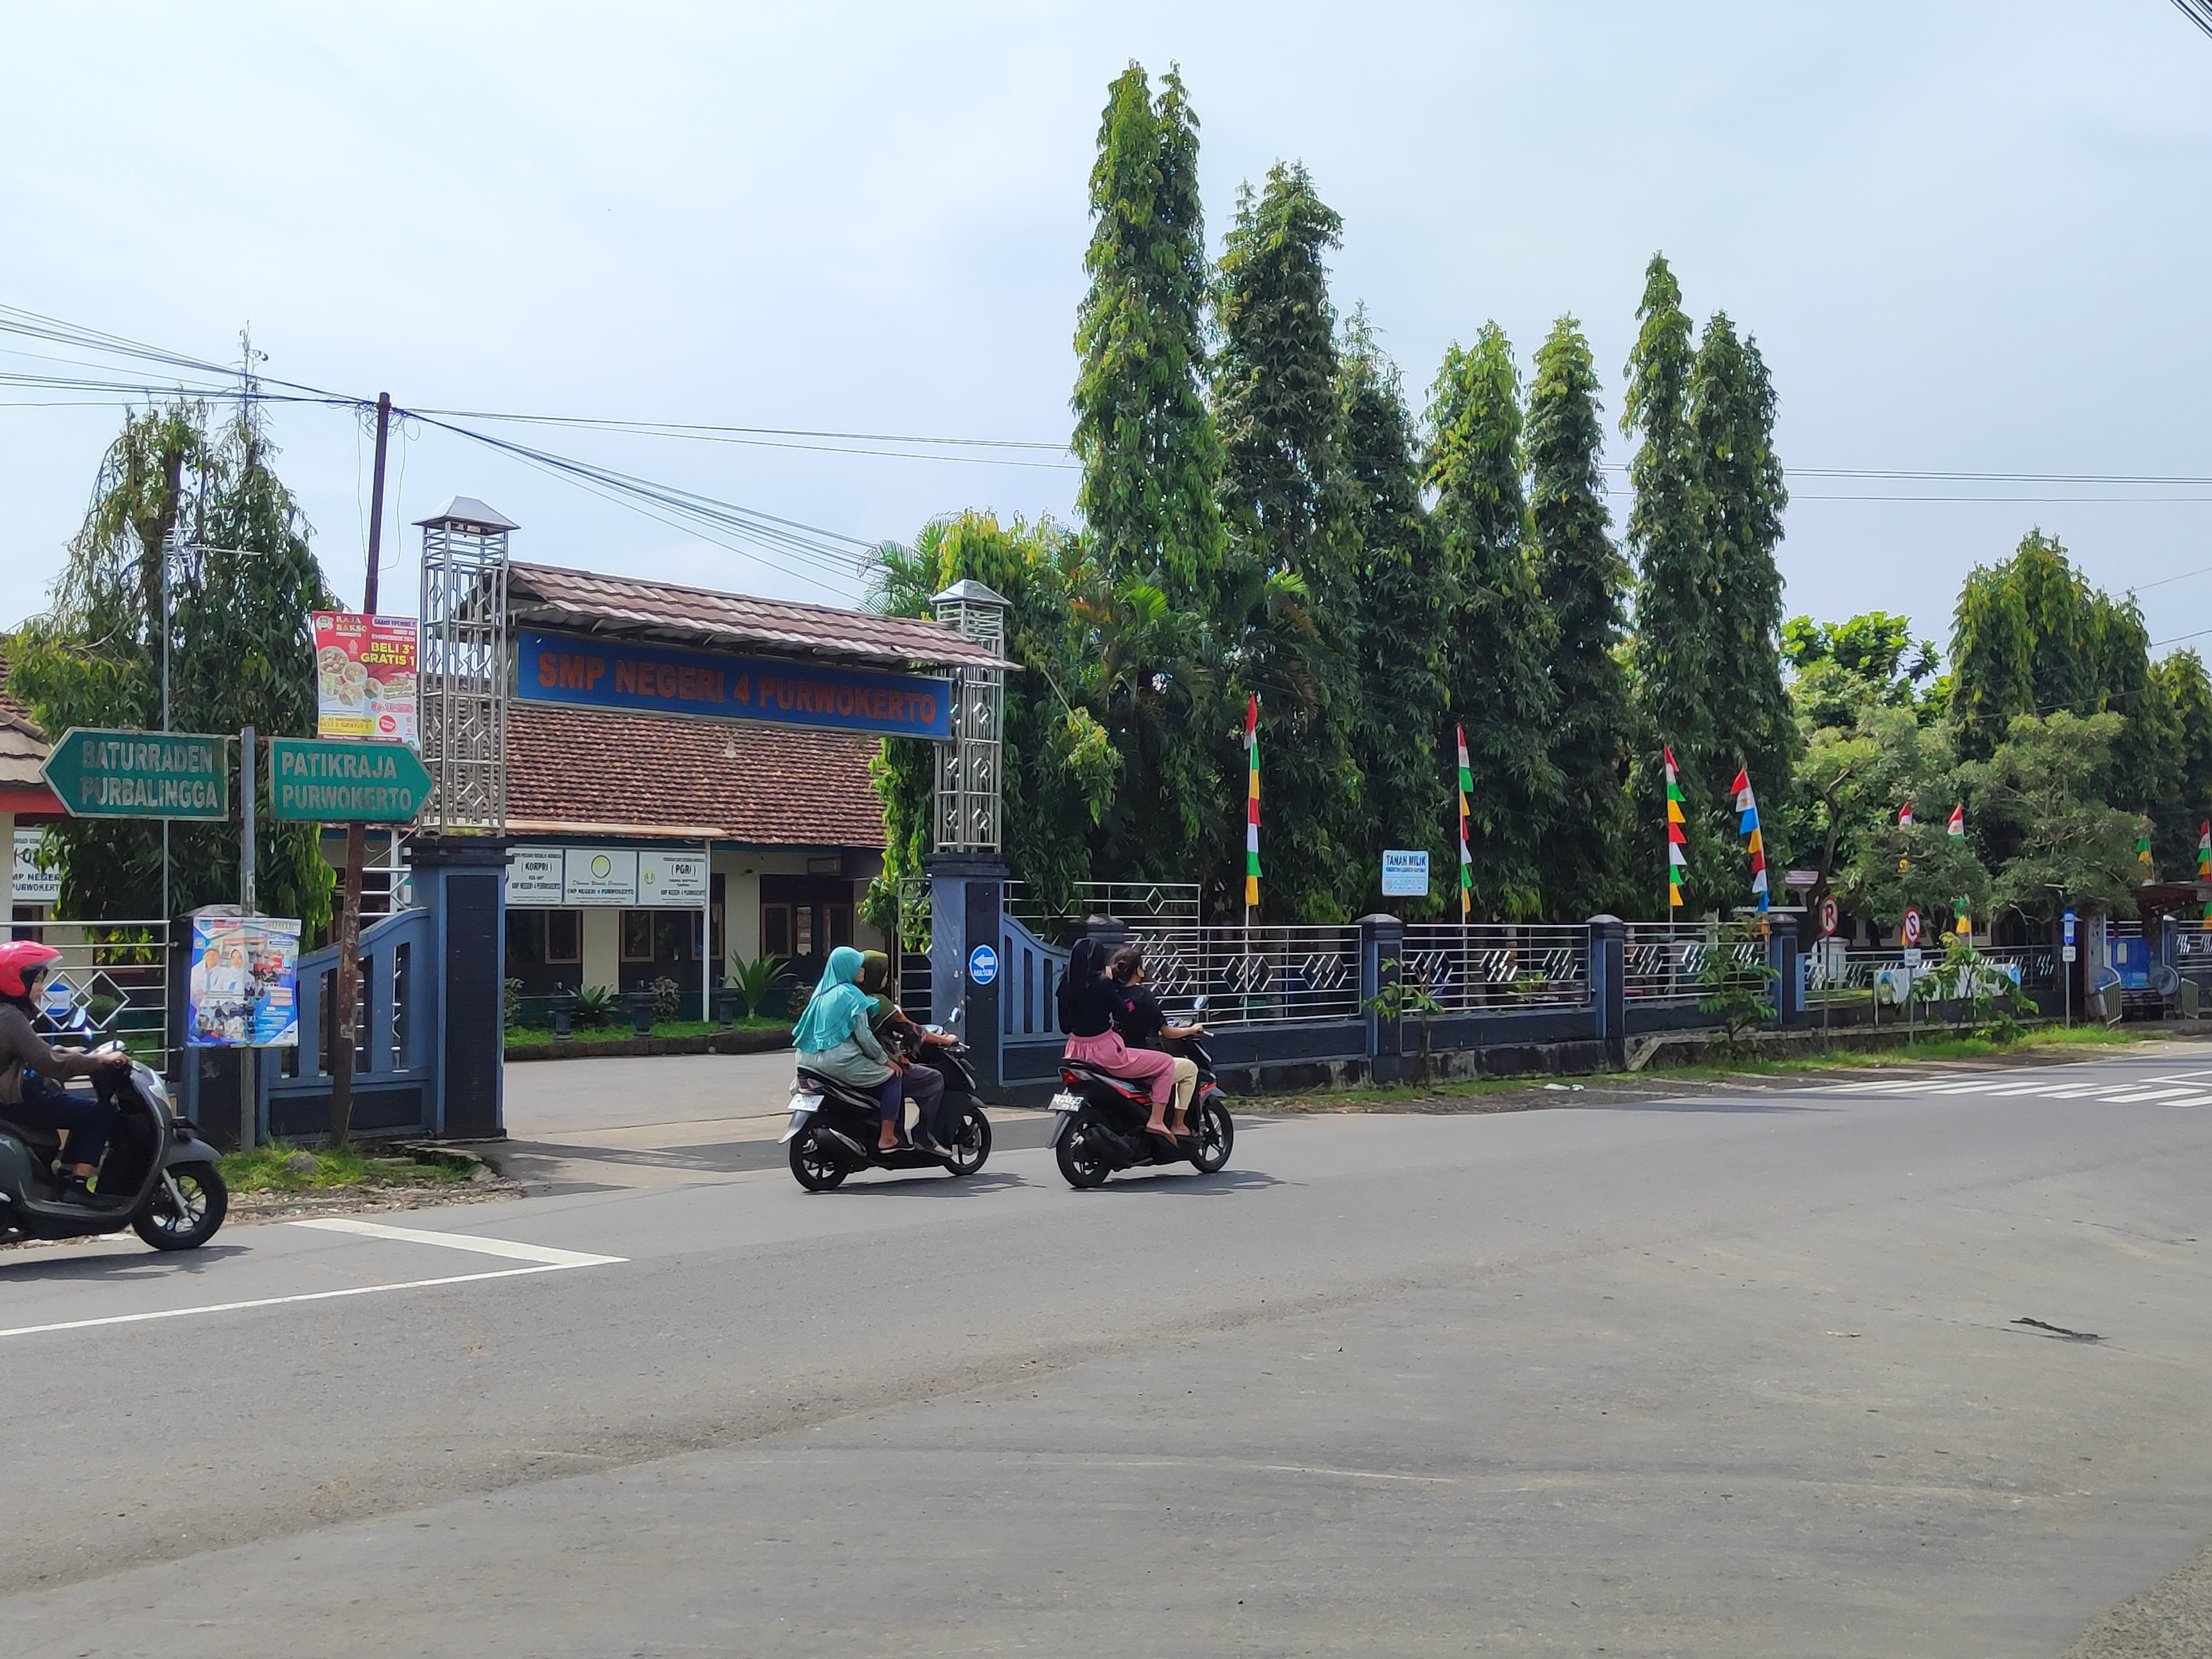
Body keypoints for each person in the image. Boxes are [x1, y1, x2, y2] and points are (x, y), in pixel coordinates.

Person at [0, 941, 132, 1207]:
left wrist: (66, 1050)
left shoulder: (8, 1014)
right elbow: (48, 1063)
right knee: (100, 1114)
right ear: (16, 981)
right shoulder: (10, 1017)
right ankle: (77, 1186)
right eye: (36, 981)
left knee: (77, 1110)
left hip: (10, 1094)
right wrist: (99, 1060)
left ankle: (64, 1178)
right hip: (13, 1099)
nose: (41, 989)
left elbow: (30, 1051)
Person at [1057, 936, 1181, 1144]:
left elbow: (1065, 1027)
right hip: (1106, 1053)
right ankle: (1157, 1120)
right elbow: (1124, 1012)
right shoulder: (1103, 985)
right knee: (1166, 1062)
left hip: (1075, 1052)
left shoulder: (1064, 987)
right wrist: (1131, 999)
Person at [790, 945, 904, 1152]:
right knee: (892, 1078)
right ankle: (887, 1137)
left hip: (805, 1061)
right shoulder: (852, 995)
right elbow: (865, 1038)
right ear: (847, 969)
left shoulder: (820, 995)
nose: (862, 971)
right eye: (859, 967)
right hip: (836, 1063)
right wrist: (886, 1061)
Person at [858, 950, 958, 1155]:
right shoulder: (878, 1004)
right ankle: (923, 1136)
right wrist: (946, 1040)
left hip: (857, 1063)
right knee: (933, 1079)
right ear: (875, 974)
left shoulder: (852, 997)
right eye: (884, 973)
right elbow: (913, 1030)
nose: (887, 978)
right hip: (879, 1063)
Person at [1107, 946, 1204, 1135]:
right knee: (1190, 1069)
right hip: (1137, 1060)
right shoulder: (1143, 996)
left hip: (1111, 1057)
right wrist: (1192, 1029)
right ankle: (1178, 1124)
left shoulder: (1109, 993)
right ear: (1138, 971)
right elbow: (1167, 1032)